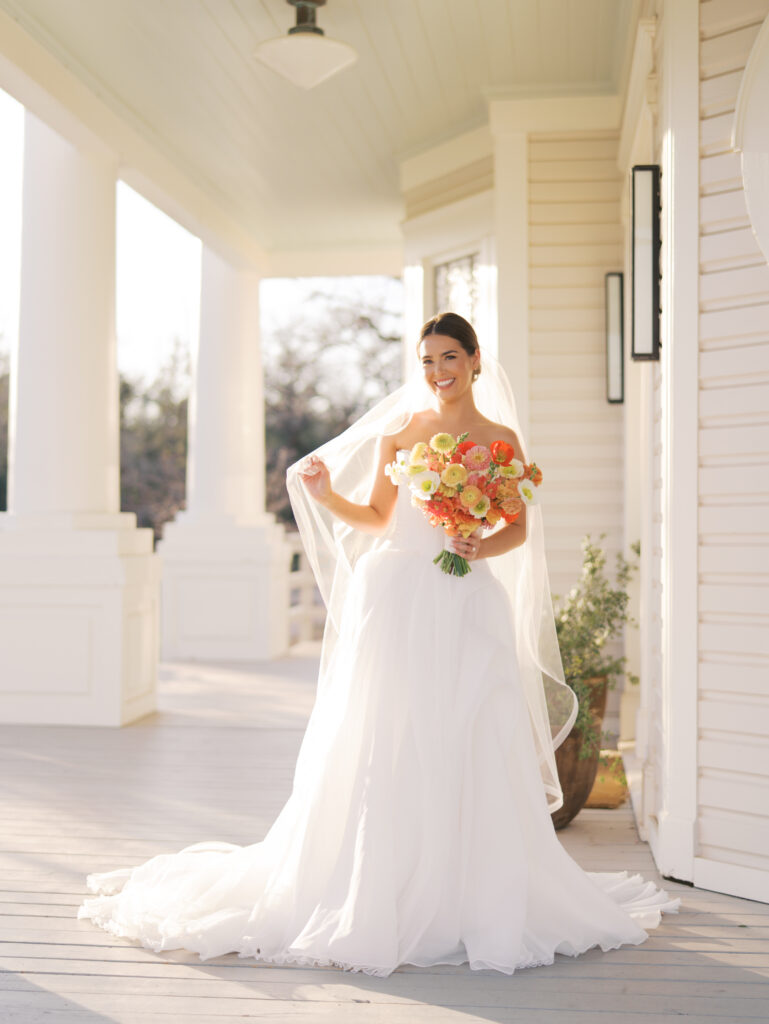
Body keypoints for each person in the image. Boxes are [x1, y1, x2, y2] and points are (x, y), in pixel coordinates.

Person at [78, 312, 680, 976]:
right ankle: (377, 885)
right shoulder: (404, 431)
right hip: (398, 598)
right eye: (426, 361)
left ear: (474, 360)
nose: (437, 372)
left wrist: (479, 540)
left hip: (466, 598)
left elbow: (516, 531)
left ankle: (472, 890)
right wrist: (325, 493)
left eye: (448, 357)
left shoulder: (499, 439)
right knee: (387, 734)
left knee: (471, 731)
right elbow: (375, 517)